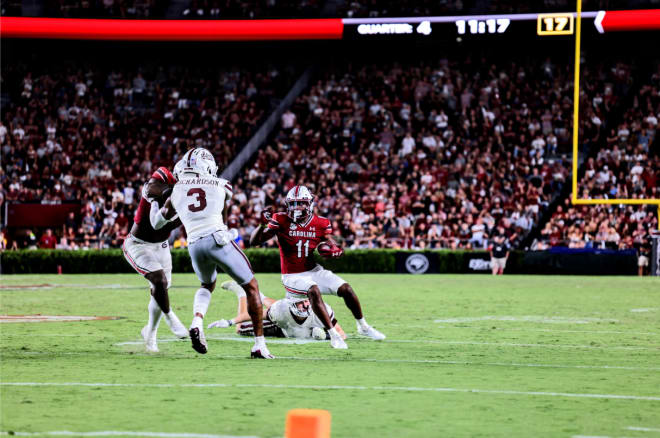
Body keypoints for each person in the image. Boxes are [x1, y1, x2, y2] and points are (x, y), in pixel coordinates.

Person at [156, 148, 273, 359]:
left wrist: (161, 200)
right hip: (217, 238)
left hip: (194, 245)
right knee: (252, 286)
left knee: (207, 284)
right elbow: (224, 216)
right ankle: (259, 345)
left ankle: (197, 321)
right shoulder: (221, 184)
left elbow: (160, 220)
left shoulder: (176, 190)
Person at [250, 185, 385, 350]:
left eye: (300, 203)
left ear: (310, 204)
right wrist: (261, 226)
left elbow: (334, 245)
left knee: (346, 289)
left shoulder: (321, 223)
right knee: (313, 290)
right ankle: (334, 335)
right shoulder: (281, 219)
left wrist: (336, 251)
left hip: (314, 270)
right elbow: (254, 242)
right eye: (293, 204)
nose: (296, 207)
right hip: (292, 275)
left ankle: (363, 326)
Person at [122, 166, 188, 353]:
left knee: (161, 289)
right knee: (159, 280)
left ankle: (150, 334)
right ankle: (169, 315)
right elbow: (155, 219)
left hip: (162, 245)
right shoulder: (154, 185)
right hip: (138, 244)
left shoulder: (183, 190)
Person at [208, 280, 346, 341]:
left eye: (307, 301)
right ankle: (241, 292)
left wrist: (325, 336)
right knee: (241, 329)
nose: (305, 305)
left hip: (287, 318)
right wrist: (230, 322)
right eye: (301, 302)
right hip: (283, 327)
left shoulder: (321, 310)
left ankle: (259, 295)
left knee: (273, 305)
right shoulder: (282, 311)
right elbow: (256, 314)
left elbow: (341, 334)